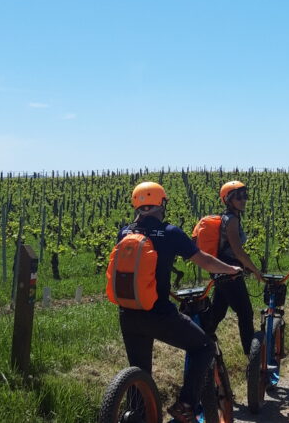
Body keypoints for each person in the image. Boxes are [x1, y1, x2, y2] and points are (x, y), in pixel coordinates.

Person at [113, 182, 243, 423]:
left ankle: (137, 415)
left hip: (128, 313)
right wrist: (231, 268)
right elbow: (203, 260)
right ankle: (186, 405)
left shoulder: (124, 232)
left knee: (140, 371)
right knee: (203, 346)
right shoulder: (170, 232)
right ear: (162, 203)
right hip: (158, 313)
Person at [207, 180, 263, 356]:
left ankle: (203, 345)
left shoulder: (232, 218)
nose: (243, 200)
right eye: (238, 197)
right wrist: (255, 270)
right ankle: (251, 358)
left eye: (244, 196)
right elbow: (238, 251)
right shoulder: (231, 220)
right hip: (229, 271)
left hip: (223, 270)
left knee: (218, 312)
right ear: (228, 200)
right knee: (245, 313)